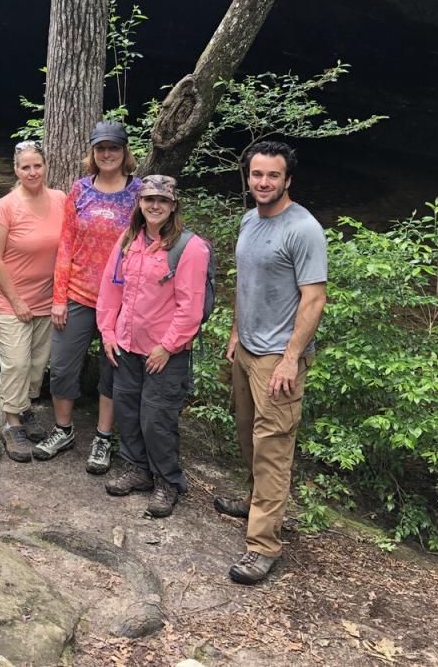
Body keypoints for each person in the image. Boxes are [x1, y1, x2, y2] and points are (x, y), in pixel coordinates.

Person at [220, 140, 327, 584]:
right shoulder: (250, 219)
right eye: (257, 174)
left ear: (288, 180)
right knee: (248, 435)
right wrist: (235, 332)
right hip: (247, 350)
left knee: (273, 448)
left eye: (273, 176)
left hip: (277, 360)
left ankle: (263, 546)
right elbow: (250, 283)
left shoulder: (303, 229)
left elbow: (314, 299)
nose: (264, 182)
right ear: (249, 177)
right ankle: (254, 502)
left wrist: (290, 359)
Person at [96, 175, 209, 517]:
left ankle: (167, 481)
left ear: (173, 205)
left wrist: (168, 346)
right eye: (148, 199)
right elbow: (110, 288)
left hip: (164, 353)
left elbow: (191, 306)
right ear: (140, 203)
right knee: (128, 411)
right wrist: (108, 332)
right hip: (126, 344)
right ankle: (137, 469)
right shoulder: (129, 239)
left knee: (156, 418)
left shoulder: (190, 248)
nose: (155, 205)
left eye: (162, 200)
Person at [33, 121, 142, 468]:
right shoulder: (80, 190)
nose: (107, 154)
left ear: (125, 152)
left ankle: (102, 438)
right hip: (79, 293)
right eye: (101, 148)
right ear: (93, 154)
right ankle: (63, 429)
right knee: (63, 366)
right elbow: (66, 244)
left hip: (122, 301)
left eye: (113, 147)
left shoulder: (140, 194)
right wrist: (59, 297)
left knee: (113, 372)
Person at [0, 140, 68, 462]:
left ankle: (25, 408)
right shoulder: (4, 207)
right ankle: (12, 424)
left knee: (36, 365)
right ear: (16, 171)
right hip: (11, 301)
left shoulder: (60, 199)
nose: (32, 172)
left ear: (45, 167)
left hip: (48, 300)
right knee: (17, 362)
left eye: (37, 166)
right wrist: (17, 301)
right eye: (25, 167)